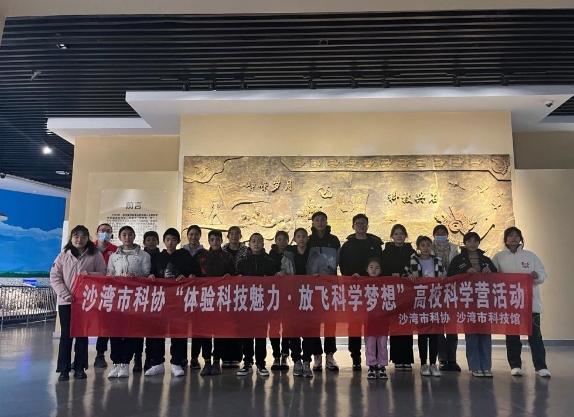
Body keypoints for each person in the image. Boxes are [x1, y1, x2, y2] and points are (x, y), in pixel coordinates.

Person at [492, 227, 551, 378]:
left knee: (535, 336)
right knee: (512, 336)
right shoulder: (499, 257)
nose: (513, 238)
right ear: (506, 239)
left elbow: (543, 274)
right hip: (510, 303)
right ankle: (515, 365)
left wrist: (537, 275)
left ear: (520, 238)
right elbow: (492, 277)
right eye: (510, 235)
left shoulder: (530, 256)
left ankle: (541, 366)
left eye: (516, 235)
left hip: (530, 303)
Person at [50, 225, 107, 381]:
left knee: (82, 334)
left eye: (83, 236)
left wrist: (90, 274)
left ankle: (80, 368)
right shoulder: (63, 256)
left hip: (86, 302)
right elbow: (55, 277)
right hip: (66, 302)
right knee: (66, 335)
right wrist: (65, 294)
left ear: (88, 238)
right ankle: (63, 370)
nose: (79, 239)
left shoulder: (95, 255)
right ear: (71, 238)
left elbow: (103, 273)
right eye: (76, 236)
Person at [145, 228, 196, 377]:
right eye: (167, 239)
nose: (170, 242)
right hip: (160, 300)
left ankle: (176, 363)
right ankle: (157, 363)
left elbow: (193, 273)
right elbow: (151, 272)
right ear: (164, 241)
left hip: (179, 300)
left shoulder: (184, 256)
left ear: (178, 241)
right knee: (158, 331)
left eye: (173, 240)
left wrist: (187, 276)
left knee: (178, 332)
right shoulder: (157, 257)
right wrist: (151, 276)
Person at [279, 227, 328, 378]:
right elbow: (283, 270)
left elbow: (325, 271)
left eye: (304, 236)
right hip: (293, 298)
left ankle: (307, 360)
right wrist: (281, 274)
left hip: (310, 298)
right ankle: (297, 360)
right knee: (293, 330)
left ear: (307, 238)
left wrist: (319, 275)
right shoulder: (288, 256)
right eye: (298, 236)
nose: (301, 239)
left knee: (309, 330)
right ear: (294, 239)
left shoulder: (316, 255)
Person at [448, 232, 497, 377]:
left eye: (475, 241)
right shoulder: (458, 259)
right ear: (465, 243)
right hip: (467, 301)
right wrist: (464, 271)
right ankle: (475, 366)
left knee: (485, 334)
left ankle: (486, 367)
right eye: (469, 241)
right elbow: (450, 276)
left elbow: (497, 277)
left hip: (484, 301)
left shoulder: (486, 260)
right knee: (471, 335)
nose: (472, 244)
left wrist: (490, 272)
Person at [339, 213, 383, 370]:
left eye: (364, 223)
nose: (361, 225)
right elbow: (343, 265)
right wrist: (352, 275)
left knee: (374, 322)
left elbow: (380, 262)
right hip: (354, 289)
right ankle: (355, 356)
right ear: (353, 226)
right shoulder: (347, 245)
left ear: (368, 225)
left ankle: (375, 358)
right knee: (355, 323)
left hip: (373, 289)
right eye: (358, 223)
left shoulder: (375, 243)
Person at [106, 226, 151, 378]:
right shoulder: (113, 256)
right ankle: (116, 363)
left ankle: (125, 363)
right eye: (124, 235)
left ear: (134, 236)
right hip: (117, 298)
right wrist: (111, 277)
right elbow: (109, 273)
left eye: (130, 234)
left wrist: (136, 277)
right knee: (115, 331)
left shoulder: (144, 256)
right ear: (119, 237)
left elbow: (146, 275)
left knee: (131, 331)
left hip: (134, 299)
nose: (127, 237)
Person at [236, 233, 277, 377]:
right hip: (246, 303)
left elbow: (275, 283)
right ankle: (247, 363)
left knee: (261, 334)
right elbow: (237, 282)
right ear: (249, 244)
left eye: (259, 241)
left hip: (262, 303)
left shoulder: (270, 262)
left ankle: (261, 363)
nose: (256, 243)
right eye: (253, 241)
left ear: (263, 243)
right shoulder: (242, 262)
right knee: (247, 334)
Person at [404, 235, 445, 377]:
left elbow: (444, 275)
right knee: (422, 334)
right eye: (423, 245)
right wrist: (410, 277)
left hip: (435, 301)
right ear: (418, 247)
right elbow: (405, 275)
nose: (426, 248)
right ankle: (423, 364)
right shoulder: (412, 261)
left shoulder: (438, 261)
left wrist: (443, 277)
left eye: (428, 245)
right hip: (420, 302)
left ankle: (433, 363)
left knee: (434, 334)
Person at [197, 229, 235, 376]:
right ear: (208, 241)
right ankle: (207, 361)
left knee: (219, 331)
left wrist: (229, 276)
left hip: (221, 299)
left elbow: (234, 274)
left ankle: (216, 361)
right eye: (212, 239)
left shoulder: (227, 256)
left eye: (217, 239)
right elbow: (196, 275)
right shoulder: (202, 256)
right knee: (205, 332)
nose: (215, 242)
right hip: (205, 298)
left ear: (221, 240)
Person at [308, 211, 341, 372]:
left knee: (330, 321)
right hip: (313, 287)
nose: (320, 222)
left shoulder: (334, 240)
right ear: (313, 222)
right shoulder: (309, 240)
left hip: (330, 284)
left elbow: (339, 261)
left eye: (323, 219)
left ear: (327, 222)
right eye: (317, 219)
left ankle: (330, 354)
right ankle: (317, 355)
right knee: (314, 321)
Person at [381, 224, 416, 372]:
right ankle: (397, 359)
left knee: (406, 324)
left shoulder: (412, 252)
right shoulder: (386, 252)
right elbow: (382, 269)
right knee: (395, 325)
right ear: (391, 236)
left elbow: (415, 268)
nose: (399, 236)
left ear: (406, 236)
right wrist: (391, 275)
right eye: (396, 234)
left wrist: (410, 275)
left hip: (407, 293)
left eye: (402, 233)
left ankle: (407, 359)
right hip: (392, 293)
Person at [432, 224, 462, 372]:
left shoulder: (454, 248)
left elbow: (458, 267)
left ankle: (453, 359)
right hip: (435, 292)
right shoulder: (429, 248)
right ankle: (442, 359)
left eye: (443, 233)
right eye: (438, 233)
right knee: (438, 327)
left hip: (452, 290)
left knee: (452, 327)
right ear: (434, 235)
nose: (440, 235)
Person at [133, 230, 160, 372]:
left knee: (152, 331)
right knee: (138, 331)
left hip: (156, 298)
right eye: (148, 239)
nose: (151, 242)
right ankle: (137, 359)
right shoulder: (139, 256)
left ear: (158, 241)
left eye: (154, 239)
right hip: (140, 296)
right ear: (144, 242)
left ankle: (150, 359)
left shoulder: (162, 257)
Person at [221, 225, 248, 368]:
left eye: (237, 234)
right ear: (227, 236)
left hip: (242, 292)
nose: (234, 236)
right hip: (225, 292)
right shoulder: (222, 251)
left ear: (240, 236)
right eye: (231, 234)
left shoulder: (247, 251)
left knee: (239, 324)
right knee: (225, 324)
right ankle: (225, 356)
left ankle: (237, 356)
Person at [93, 223, 117, 369]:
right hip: (91, 291)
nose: (105, 233)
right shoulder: (89, 248)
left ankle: (101, 354)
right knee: (85, 323)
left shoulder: (116, 250)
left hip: (110, 293)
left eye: (108, 231)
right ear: (97, 233)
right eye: (102, 231)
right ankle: (79, 358)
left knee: (107, 325)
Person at [182, 224, 206, 370]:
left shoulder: (204, 253)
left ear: (200, 236)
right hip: (183, 294)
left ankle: (195, 358)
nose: (193, 237)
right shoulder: (181, 252)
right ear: (187, 236)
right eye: (191, 234)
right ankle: (183, 357)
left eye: (196, 234)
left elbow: (206, 272)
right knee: (183, 327)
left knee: (198, 327)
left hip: (199, 294)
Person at [362, 258, 389, 380]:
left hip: (383, 319)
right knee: (370, 343)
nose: (374, 270)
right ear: (366, 269)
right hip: (369, 319)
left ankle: (382, 365)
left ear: (381, 270)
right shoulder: (363, 283)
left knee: (382, 343)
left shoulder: (385, 284)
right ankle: (371, 365)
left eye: (377, 268)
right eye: (371, 267)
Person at [268, 230, 291, 371]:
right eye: (279, 239)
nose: (282, 242)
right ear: (275, 240)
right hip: (273, 295)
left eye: (284, 239)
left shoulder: (291, 254)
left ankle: (285, 354)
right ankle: (276, 355)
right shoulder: (269, 256)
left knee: (287, 325)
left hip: (289, 294)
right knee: (274, 326)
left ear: (288, 240)